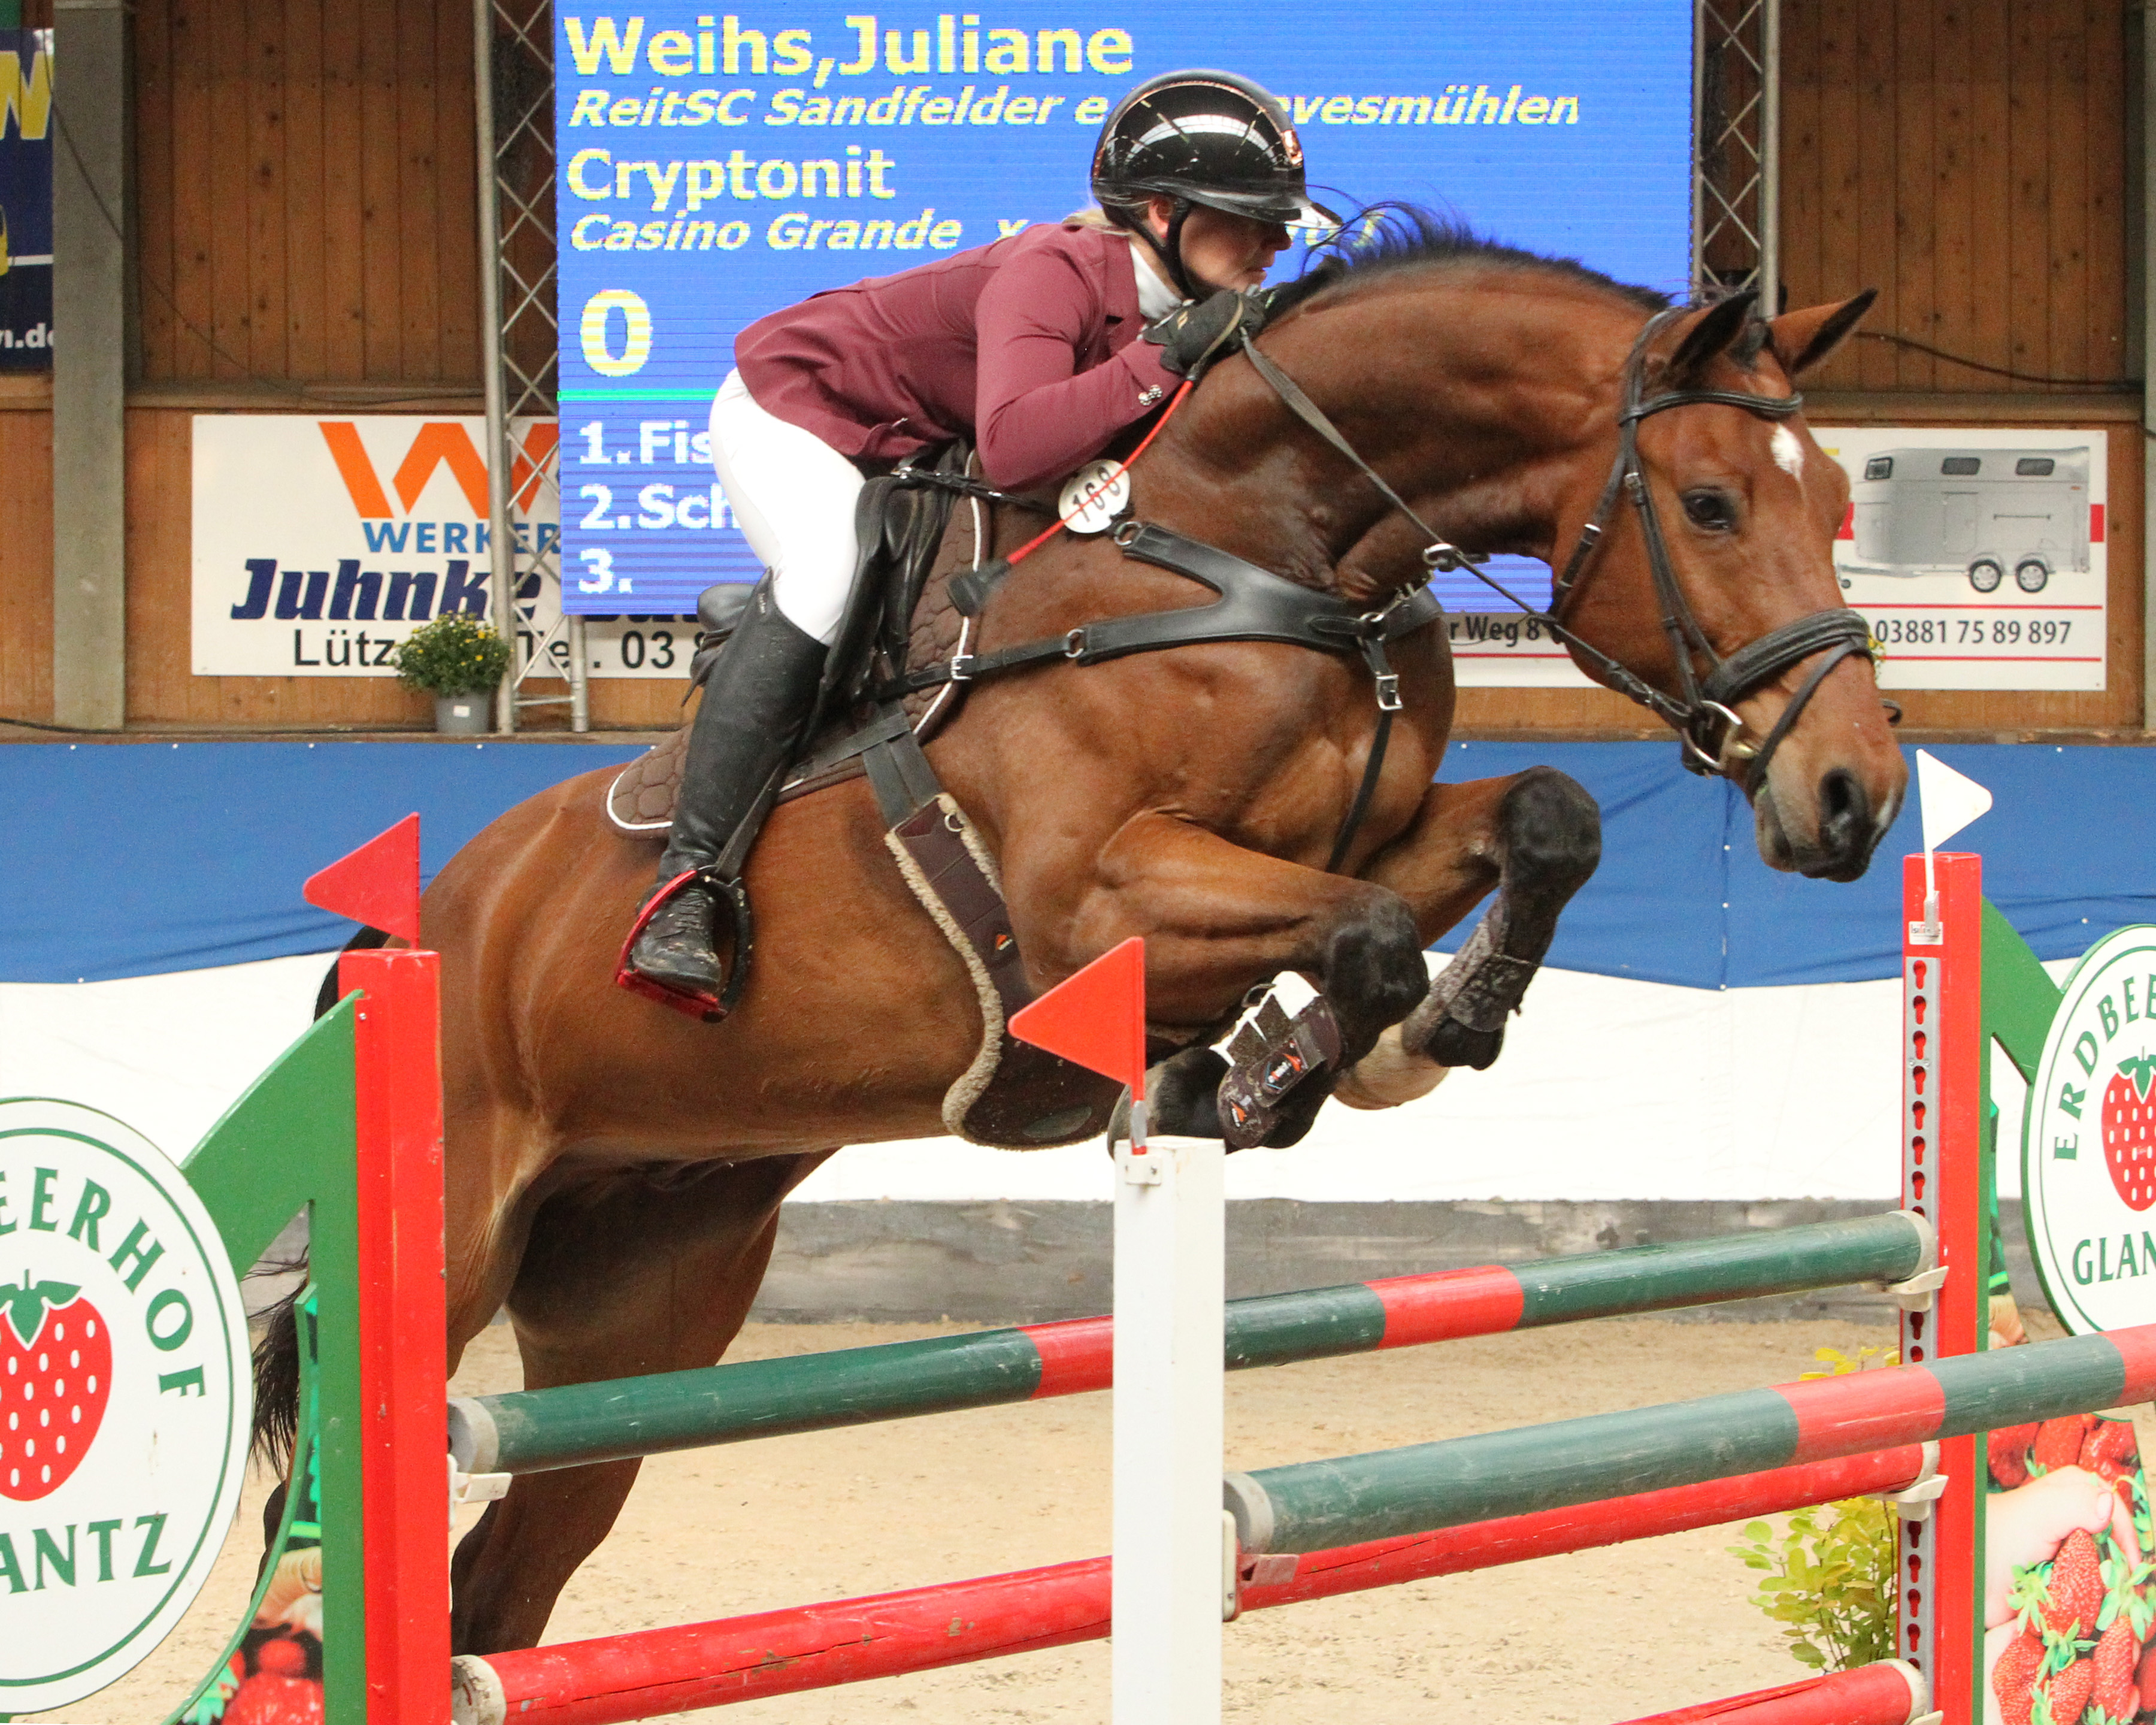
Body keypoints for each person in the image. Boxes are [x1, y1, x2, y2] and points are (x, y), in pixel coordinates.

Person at [621, 68, 1337, 1015]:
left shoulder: (1181, 304)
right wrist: (1170, 355)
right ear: (1161, 211)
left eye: (1282, 222)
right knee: (831, 569)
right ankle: (687, 885)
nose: (1277, 244)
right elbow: (1015, 448)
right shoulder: (1057, 269)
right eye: (1250, 218)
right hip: (797, 409)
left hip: (914, 444)